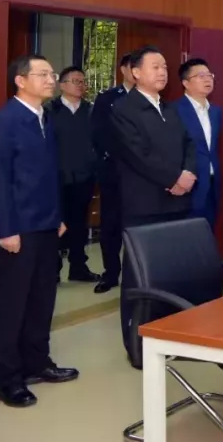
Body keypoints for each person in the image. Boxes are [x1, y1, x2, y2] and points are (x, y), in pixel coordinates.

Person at [0, 55, 79, 408]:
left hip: (46, 225)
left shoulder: (45, 118)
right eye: (42, 74)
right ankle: (7, 379)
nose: (51, 79)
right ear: (21, 81)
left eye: (52, 74)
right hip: (18, 230)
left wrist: (58, 216)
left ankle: (37, 362)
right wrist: (7, 229)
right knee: (12, 305)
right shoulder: (5, 121)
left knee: (42, 299)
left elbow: (50, 174)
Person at [110, 46, 197, 227]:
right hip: (145, 203)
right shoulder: (123, 108)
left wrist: (188, 173)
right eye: (155, 67)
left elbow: (188, 143)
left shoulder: (170, 108)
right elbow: (137, 154)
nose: (162, 72)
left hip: (178, 201)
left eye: (164, 68)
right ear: (136, 72)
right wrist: (175, 178)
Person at [45, 66, 100, 283]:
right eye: (75, 81)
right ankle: (52, 269)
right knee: (56, 225)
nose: (80, 85)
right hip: (56, 178)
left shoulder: (91, 111)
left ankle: (78, 267)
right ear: (62, 85)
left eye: (82, 82)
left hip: (84, 177)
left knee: (79, 224)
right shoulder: (50, 111)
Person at [90, 53, 136, 294]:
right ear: (124, 70)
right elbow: (97, 133)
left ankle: (137, 274)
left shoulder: (152, 99)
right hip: (113, 171)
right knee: (111, 225)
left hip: (141, 176)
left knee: (137, 225)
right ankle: (110, 274)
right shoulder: (107, 98)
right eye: (132, 67)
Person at [173, 58, 221, 229]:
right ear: (186, 83)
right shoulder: (174, 110)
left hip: (212, 181)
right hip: (187, 184)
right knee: (187, 234)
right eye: (201, 76)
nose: (208, 79)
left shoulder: (216, 111)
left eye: (209, 75)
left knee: (208, 232)